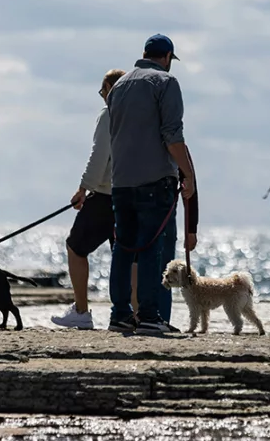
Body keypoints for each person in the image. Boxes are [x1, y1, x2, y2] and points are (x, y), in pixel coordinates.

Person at [107, 34, 197, 334]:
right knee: (152, 249)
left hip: (121, 181)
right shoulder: (166, 82)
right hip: (154, 180)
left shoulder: (119, 85)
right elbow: (172, 134)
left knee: (123, 249)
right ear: (168, 57)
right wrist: (187, 173)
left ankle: (120, 314)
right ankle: (148, 315)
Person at [51, 68, 125, 330]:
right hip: (130, 195)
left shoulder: (109, 114)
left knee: (75, 247)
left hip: (105, 195)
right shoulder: (137, 116)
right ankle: (130, 313)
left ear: (110, 90)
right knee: (125, 256)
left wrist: (83, 189)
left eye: (103, 91)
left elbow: (99, 155)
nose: (102, 96)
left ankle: (81, 311)